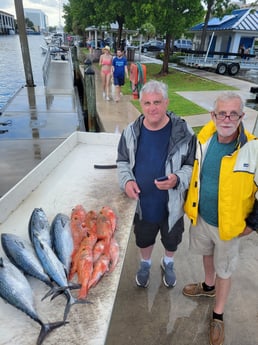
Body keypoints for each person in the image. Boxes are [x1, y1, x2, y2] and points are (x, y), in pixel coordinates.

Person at [182, 91, 258, 345]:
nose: (227, 118)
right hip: (202, 217)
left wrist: (252, 224)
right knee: (206, 254)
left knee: (225, 269)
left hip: (230, 227)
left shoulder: (253, 149)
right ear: (213, 115)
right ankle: (207, 286)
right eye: (221, 113)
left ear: (241, 116)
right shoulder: (204, 138)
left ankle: (218, 314)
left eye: (233, 113)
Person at [116, 80, 196, 288]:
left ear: (167, 102)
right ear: (141, 104)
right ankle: (145, 263)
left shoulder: (185, 132)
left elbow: (191, 166)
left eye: (157, 102)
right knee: (143, 239)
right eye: (148, 103)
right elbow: (123, 162)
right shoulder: (130, 132)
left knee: (172, 240)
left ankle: (168, 262)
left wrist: (177, 179)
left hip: (173, 204)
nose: (153, 108)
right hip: (143, 203)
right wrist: (127, 181)